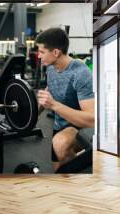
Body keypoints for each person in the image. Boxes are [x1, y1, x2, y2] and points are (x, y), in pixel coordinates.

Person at [35, 28, 95, 172]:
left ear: (55, 52)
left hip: (80, 128)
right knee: (58, 171)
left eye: (42, 52)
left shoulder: (80, 73)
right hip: (59, 126)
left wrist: (54, 105)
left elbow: (92, 119)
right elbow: (51, 90)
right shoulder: (50, 67)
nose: (38, 56)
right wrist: (32, 115)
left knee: (60, 144)